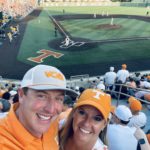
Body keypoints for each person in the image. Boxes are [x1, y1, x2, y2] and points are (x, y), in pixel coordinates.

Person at [0, 64, 78, 149]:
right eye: (41, 96)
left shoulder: (50, 122)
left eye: (58, 99)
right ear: (21, 95)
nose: (51, 110)